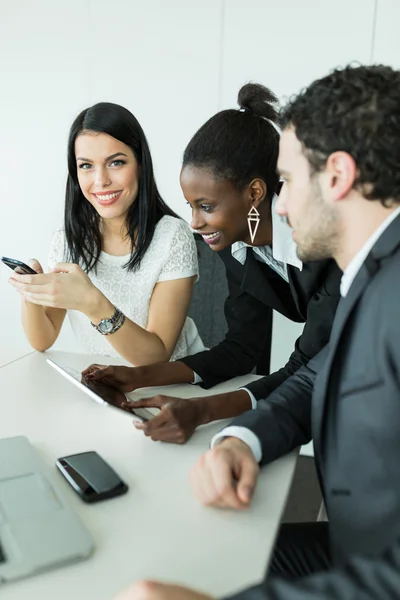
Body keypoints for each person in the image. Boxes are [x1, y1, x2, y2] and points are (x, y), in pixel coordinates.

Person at [114, 63, 400, 599]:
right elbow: (319, 370)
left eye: (287, 182)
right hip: (354, 539)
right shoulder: (375, 275)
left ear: (336, 176)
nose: (281, 205)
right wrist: (243, 437)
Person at [83, 84, 342, 444]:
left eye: (206, 206)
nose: (194, 222)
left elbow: (307, 368)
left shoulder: (326, 247)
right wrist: (140, 376)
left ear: (254, 193)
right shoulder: (234, 243)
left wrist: (204, 410)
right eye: (191, 205)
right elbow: (240, 348)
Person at [8, 102, 204, 365]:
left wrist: (92, 303)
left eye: (116, 162)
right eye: (86, 166)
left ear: (140, 164)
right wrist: (32, 292)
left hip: (174, 387)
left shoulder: (172, 237)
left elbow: (155, 358)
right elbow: (43, 340)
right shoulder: (67, 242)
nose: (100, 181)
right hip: (106, 384)